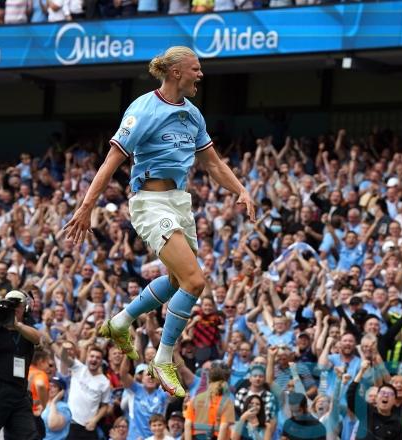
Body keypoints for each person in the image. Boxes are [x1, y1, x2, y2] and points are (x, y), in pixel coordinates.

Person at [64, 45, 255, 398]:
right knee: (195, 282)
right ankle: (163, 358)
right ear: (176, 72)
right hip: (150, 203)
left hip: (180, 202)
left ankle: (121, 321)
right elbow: (111, 162)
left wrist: (240, 189)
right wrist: (87, 206)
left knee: (177, 280)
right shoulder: (143, 109)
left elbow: (213, 163)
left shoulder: (193, 115)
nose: (201, 75)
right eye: (195, 69)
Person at [0, 290, 42, 440]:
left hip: (19, 392)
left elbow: (37, 339)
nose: (14, 308)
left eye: (18, 305)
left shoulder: (27, 328)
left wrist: (17, 325)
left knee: (29, 437)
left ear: (25, 308)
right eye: (10, 305)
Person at [61, 344, 111, 440]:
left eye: (98, 357)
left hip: (88, 426)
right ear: (87, 357)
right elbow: (64, 358)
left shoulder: (105, 382)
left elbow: (105, 406)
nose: (94, 359)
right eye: (92, 356)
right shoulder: (78, 368)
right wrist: (64, 348)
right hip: (70, 423)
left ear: (101, 361)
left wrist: (95, 420)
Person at [184, 363, 235, 440]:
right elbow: (223, 428)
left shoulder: (195, 399)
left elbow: (187, 425)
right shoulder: (227, 402)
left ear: (209, 381)